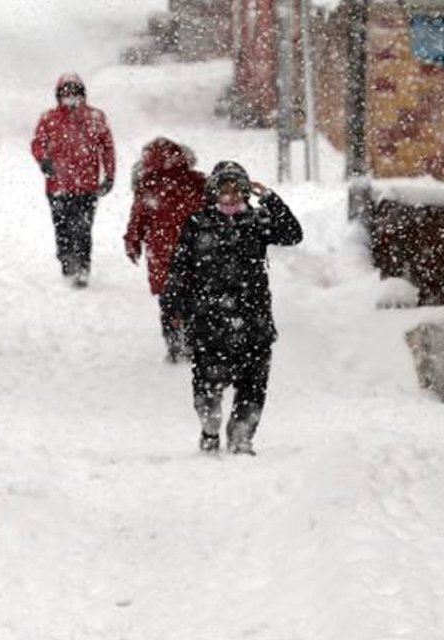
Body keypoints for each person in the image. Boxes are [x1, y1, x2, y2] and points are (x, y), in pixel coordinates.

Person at [160, 161, 303, 455]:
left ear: (245, 192)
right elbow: (179, 269)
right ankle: (210, 428)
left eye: (236, 190)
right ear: (213, 192)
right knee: (207, 385)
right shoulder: (197, 224)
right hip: (209, 321)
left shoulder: (258, 221)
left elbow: (292, 234)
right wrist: (173, 306)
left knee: (253, 384)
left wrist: (271, 198)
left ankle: (242, 436)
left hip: (254, 321)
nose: (230, 196)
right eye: (223, 190)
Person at [124, 137, 206, 362]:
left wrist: (132, 242)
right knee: (193, 297)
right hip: (195, 251)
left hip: (162, 253)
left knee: (169, 301)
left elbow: (137, 219)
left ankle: (174, 342)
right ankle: (190, 338)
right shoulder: (196, 181)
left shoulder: (148, 185)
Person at [30, 73, 116, 288]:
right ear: (58, 95)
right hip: (57, 185)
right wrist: (44, 160)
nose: (70, 98)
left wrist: (110, 175)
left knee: (83, 229)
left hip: (87, 185)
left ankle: (83, 267)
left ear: (82, 94)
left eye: (74, 93)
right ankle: (66, 259)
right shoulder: (48, 118)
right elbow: (38, 143)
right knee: (62, 227)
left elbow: (107, 148)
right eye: (66, 94)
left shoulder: (95, 117)